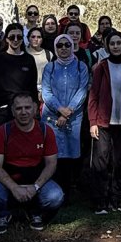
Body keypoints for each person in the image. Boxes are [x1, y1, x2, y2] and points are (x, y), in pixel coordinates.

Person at [0, 92, 64, 232]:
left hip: (36, 178)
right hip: (9, 179)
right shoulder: (2, 132)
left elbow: (51, 164)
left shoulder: (46, 131)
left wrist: (36, 187)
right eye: (19, 108)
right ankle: (3, 215)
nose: (23, 112)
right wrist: (14, 188)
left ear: (35, 109)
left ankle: (36, 213)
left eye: (27, 107)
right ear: (13, 111)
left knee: (55, 196)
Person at [88, 31, 121, 213]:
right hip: (104, 121)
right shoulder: (102, 66)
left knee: (120, 161)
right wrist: (92, 122)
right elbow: (93, 95)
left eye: (118, 43)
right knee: (101, 161)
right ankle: (101, 200)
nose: (115, 46)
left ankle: (117, 199)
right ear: (107, 46)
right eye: (112, 43)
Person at [41, 34, 90, 188]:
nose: (63, 48)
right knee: (52, 151)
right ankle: (52, 185)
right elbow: (46, 92)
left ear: (72, 46)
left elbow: (82, 90)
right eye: (60, 45)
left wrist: (69, 110)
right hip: (52, 116)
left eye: (67, 45)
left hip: (73, 117)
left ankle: (69, 187)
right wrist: (60, 110)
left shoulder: (81, 66)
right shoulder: (50, 67)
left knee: (71, 152)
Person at [0, 23, 38, 133]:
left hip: (24, 109)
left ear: (23, 39)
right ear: (7, 39)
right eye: (12, 37)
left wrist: (35, 108)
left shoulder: (29, 59)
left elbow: (33, 87)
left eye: (19, 37)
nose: (15, 40)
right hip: (2, 109)